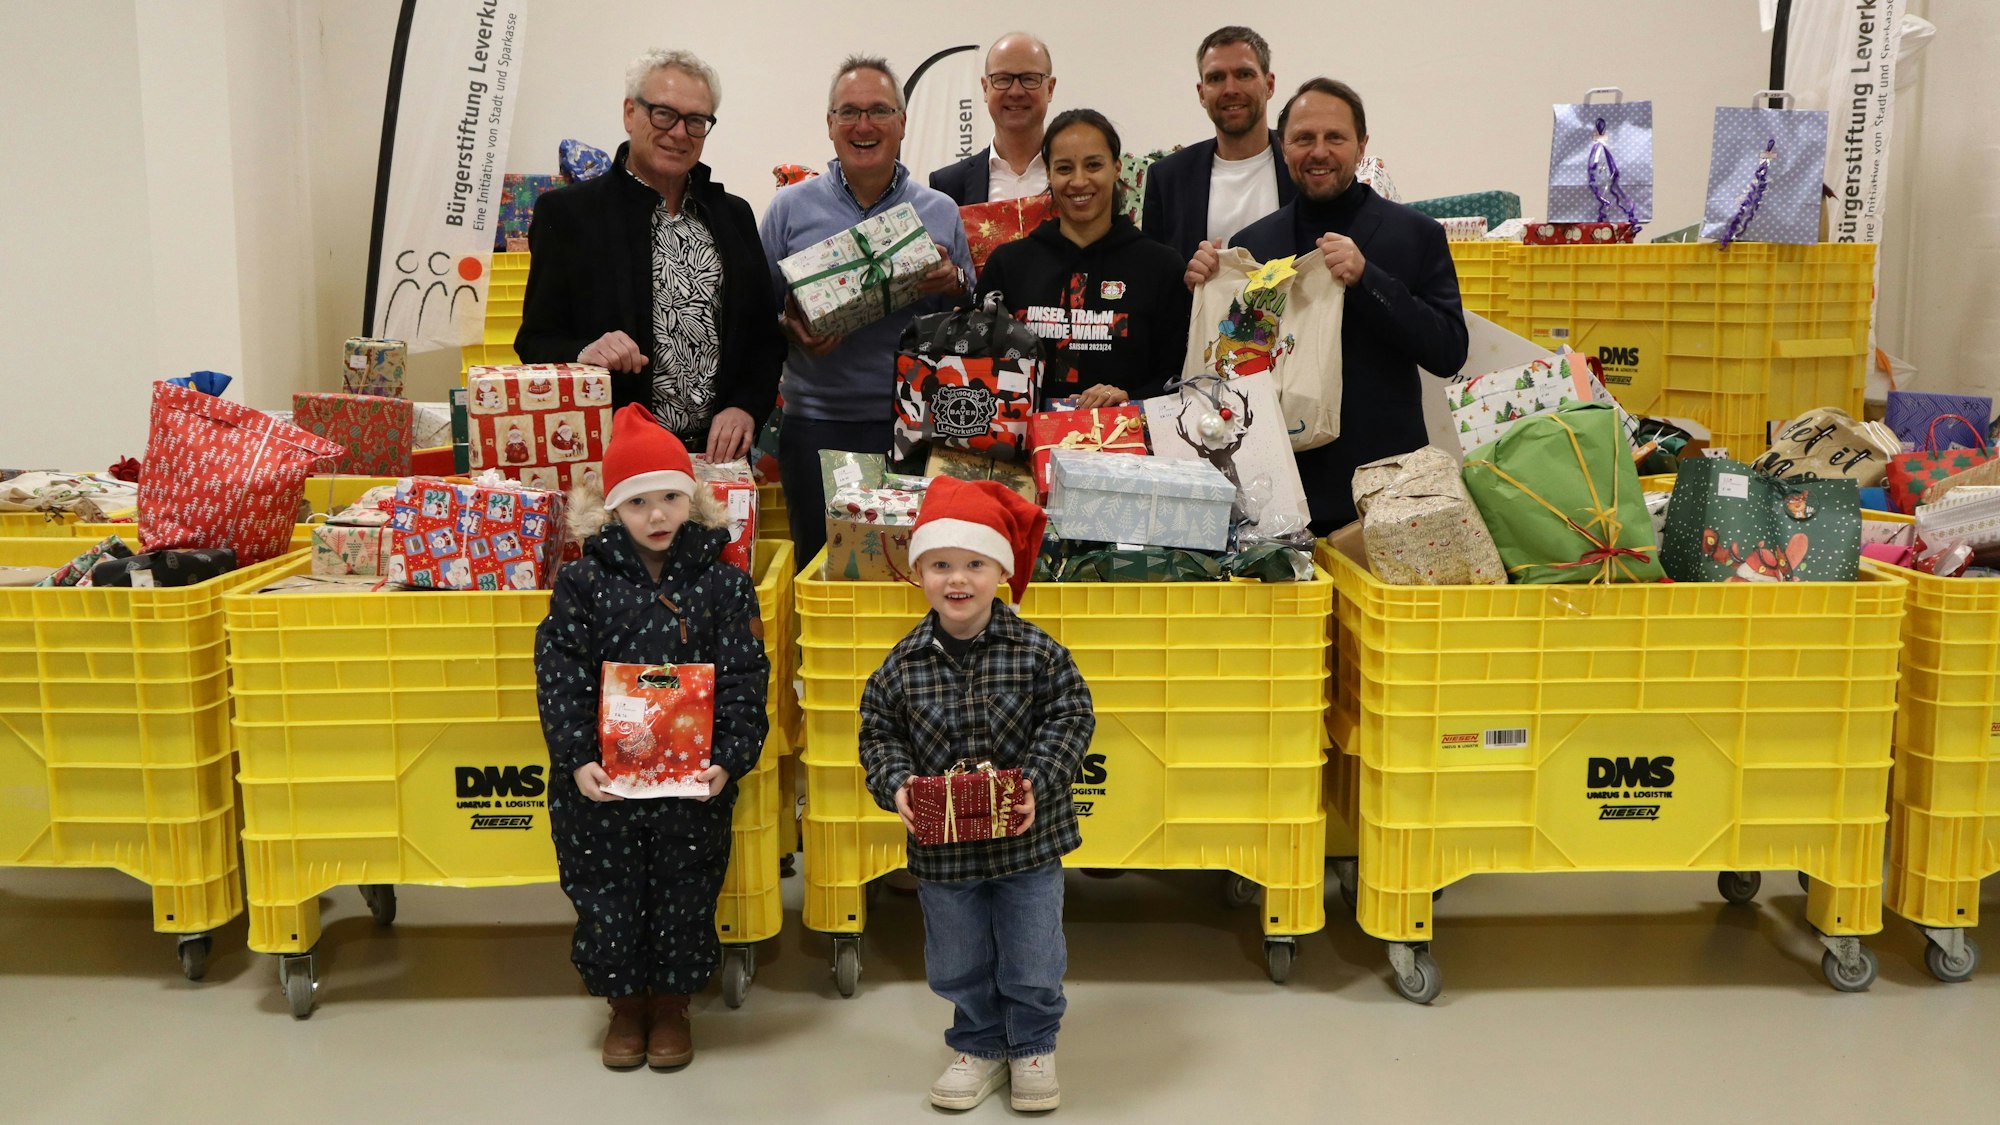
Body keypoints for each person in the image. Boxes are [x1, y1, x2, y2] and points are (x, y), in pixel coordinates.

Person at [535, 403, 771, 1070]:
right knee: (605, 894)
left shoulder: (724, 584)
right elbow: (561, 675)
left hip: (689, 786)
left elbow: (746, 676)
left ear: (693, 499)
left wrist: (729, 758)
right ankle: (623, 1005)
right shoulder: (582, 583)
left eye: (670, 496)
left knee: (685, 892)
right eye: (638, 501)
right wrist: (576, 759)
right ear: (613, 508)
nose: (657, 514)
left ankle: (671, 1004)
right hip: (603, 788)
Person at [858, 478, 1095, 1113]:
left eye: (974, 564)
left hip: (1028, 841)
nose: (957, 579)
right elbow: (878, 732)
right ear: (918, 574)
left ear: (1001, 572)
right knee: (955, 956)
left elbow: (1071, 716)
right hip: (945, 852)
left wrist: (1038, 779)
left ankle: (1033, 1044)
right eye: (940, 564)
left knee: (1033, 951)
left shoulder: (1038, 652)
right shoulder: (901, 664)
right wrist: (896, 785)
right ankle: (981, 1044)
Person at [1186, 78, 1468, 532]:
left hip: (1383, 493)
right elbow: (1231, 358)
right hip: (1278, 490)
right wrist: (1207, 289)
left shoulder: (1416, 234)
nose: (1319, 152)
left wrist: (1368, 279)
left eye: (1335, 137)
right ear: (1283, 147)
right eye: (1303, 138)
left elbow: (1449, 350)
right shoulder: (1254, 244)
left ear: (1362, 146)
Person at [760, 55, 977, 568]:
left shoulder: (939, 210)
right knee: (821, 569)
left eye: (879, 111)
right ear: (829, 124)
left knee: (914, 572)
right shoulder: (789, 209)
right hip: (816, 424)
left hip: (914, 427)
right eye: (849, 112)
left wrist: (954, 282)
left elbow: (972, 314)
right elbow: (757, 312)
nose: (864, 125)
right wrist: (790, 328)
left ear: (902, 122)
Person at [516, 49, 784, 462]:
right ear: (630, 113)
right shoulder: (568, 214)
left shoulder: (733, 215)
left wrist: (745, 406)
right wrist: (584, 351)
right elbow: (534, 342)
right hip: (614, 463)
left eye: (696, 121)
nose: (679, 133)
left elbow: (764, 339)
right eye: (663, 114)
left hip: (715, 462)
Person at [977, 108, 1191, 408]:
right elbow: (979, 370)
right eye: (1064, 168)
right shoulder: (1008, 265)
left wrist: (1131, 400)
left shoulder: (1162, 267)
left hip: (1128, 436)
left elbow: (1178, 378)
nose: (1079, 181)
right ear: (1049, 174)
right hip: (1022, 436)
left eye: (1093, 165)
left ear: (1116, 168)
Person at [1141, 26, 1297, 262]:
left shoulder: (1303, 163)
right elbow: (1153, 273)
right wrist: (1187, 277)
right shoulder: (1167, 179)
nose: (1230, 89)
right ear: (1202, 93)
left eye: (1244, 74)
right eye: (1216, 78)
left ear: (1269, 85)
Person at [929, 32, 1058, 205]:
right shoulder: (948, 187)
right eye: (1003, 79)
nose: (1016, 92)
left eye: (1029, 79)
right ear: (985, 88)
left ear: (1050, 89)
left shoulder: (1079, 179)